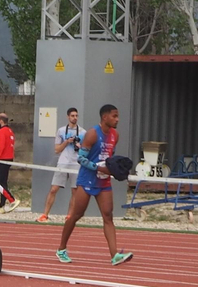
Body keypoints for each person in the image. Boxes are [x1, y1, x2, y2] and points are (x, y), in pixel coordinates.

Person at [56, 103, 132, 266]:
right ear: (105, 117)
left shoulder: (115, 135)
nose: (117, 119)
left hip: (104, 181)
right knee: (77, 214)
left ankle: (114, 255)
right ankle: (61, 248)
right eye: (114, 116)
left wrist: (113, 168)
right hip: (87, 179)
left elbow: (109, 157)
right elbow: (81, 159)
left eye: (117, 116)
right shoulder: (92, 134)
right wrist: (98, 167)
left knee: (108, 216)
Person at [37, 107, 83, 223]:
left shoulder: (83, 132)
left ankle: (69, 216)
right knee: (54, 189)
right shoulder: (61, 131)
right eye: (72, 116)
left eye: (76, 116)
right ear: (68, 117)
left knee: (75, 191)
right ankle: (45, 214)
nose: (75, 118)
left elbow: (86, 149)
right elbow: (57, 149)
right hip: (63, 162)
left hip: (76, 163)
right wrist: (67, 142)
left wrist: (79, 146)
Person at [0, 112, 20, 212]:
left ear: (1, 121)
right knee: (3, 183)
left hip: (1, 159)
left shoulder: (2, 132)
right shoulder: (10, 131)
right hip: (8, 159)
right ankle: (1, 206)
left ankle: (12, 200)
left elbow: (0, 147)